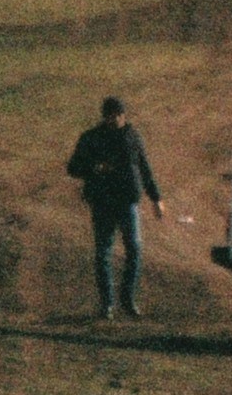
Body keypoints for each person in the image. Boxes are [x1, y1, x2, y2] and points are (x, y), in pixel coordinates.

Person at [64, 96, 162, 320]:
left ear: (123, 115)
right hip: (103, 201)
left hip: (128, 201)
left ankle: (127, 300)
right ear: (104, 116)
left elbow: (145, 168)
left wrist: (156, 198)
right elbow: (73, 168)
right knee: (103, 253)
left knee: (134, 250)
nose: (113, 120)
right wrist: (94, 167)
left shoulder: (133, 137)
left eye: (117, 115)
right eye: (109, 116)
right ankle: (107, 303)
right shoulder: (91, 138)